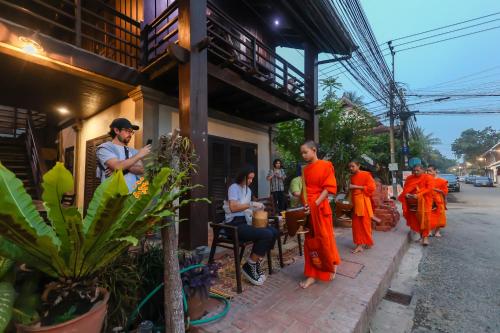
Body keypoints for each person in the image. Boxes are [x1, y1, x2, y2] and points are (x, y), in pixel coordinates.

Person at [225, 166, 279, 286]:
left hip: (245, 221)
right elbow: (233, 208)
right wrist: (250, 204)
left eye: (252, 179)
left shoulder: (248, 190)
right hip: (234, 225)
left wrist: (256, 207)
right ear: (242, 176)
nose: (250, 181)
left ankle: (255, 262)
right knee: (266, 234)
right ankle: (249, 265)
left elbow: (247, 208)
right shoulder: (233, 188)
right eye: (248, 178)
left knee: (274, 231)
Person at [299, 141, 340, 289]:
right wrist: (304, 203)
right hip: (308, 208)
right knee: (310, 241)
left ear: (314, 150)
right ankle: (312, 273)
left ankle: (331, 264)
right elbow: (305, 190)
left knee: (325, 238)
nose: (303, 155)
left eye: (305, 152)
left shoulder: (326, 165)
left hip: (320, 207)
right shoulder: (305, 169)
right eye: (301, 153)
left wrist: (315, 204)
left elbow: (328, 188)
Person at [96, 118, 151, 193]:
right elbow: (117, 166)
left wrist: (122, 168)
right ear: (116, 130)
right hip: (113, 197)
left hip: (132, 196)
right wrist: (138, 156)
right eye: (127, 131)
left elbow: (140, 170)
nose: (130, 134)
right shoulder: (105, 148)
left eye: (131, 132)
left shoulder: (133, 151)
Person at [398, 164, 434, 246]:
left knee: (425, 219)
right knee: (414, 218)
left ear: (423, 170)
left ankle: (425, 237)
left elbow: (429, 189)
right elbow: (406, 188)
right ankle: (420, 234)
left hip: (425, 201)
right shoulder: (410, 178)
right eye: (414, 170)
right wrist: (406, 194)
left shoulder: (428, 178)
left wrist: (419, 194)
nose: (416, 172)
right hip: (412, 201)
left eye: (418, 170)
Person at [348, 160, 376, 254]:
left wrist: (356, 186)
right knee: (356, 225)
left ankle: (367, 241)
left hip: (363, 202)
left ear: (358, 165)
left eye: (353, 166)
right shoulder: (352, 177)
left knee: (365, 223)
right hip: (356, 202)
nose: (351, 168)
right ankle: (359, 244)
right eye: (350, 167)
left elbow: (372, 187)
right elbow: (352, 191)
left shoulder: (366, 174)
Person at [427, 165, 448, 237]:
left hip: (439, 200)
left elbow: (444, 192)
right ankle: (429, 230)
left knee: (440, 216)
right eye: (428, 171)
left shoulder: (442, 181)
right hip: (428, 199)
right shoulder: (426, 180)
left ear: (436, 171)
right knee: (429, 215)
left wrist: (434, 189)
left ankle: (437, 231)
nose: (428, 172)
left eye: (430, 170)